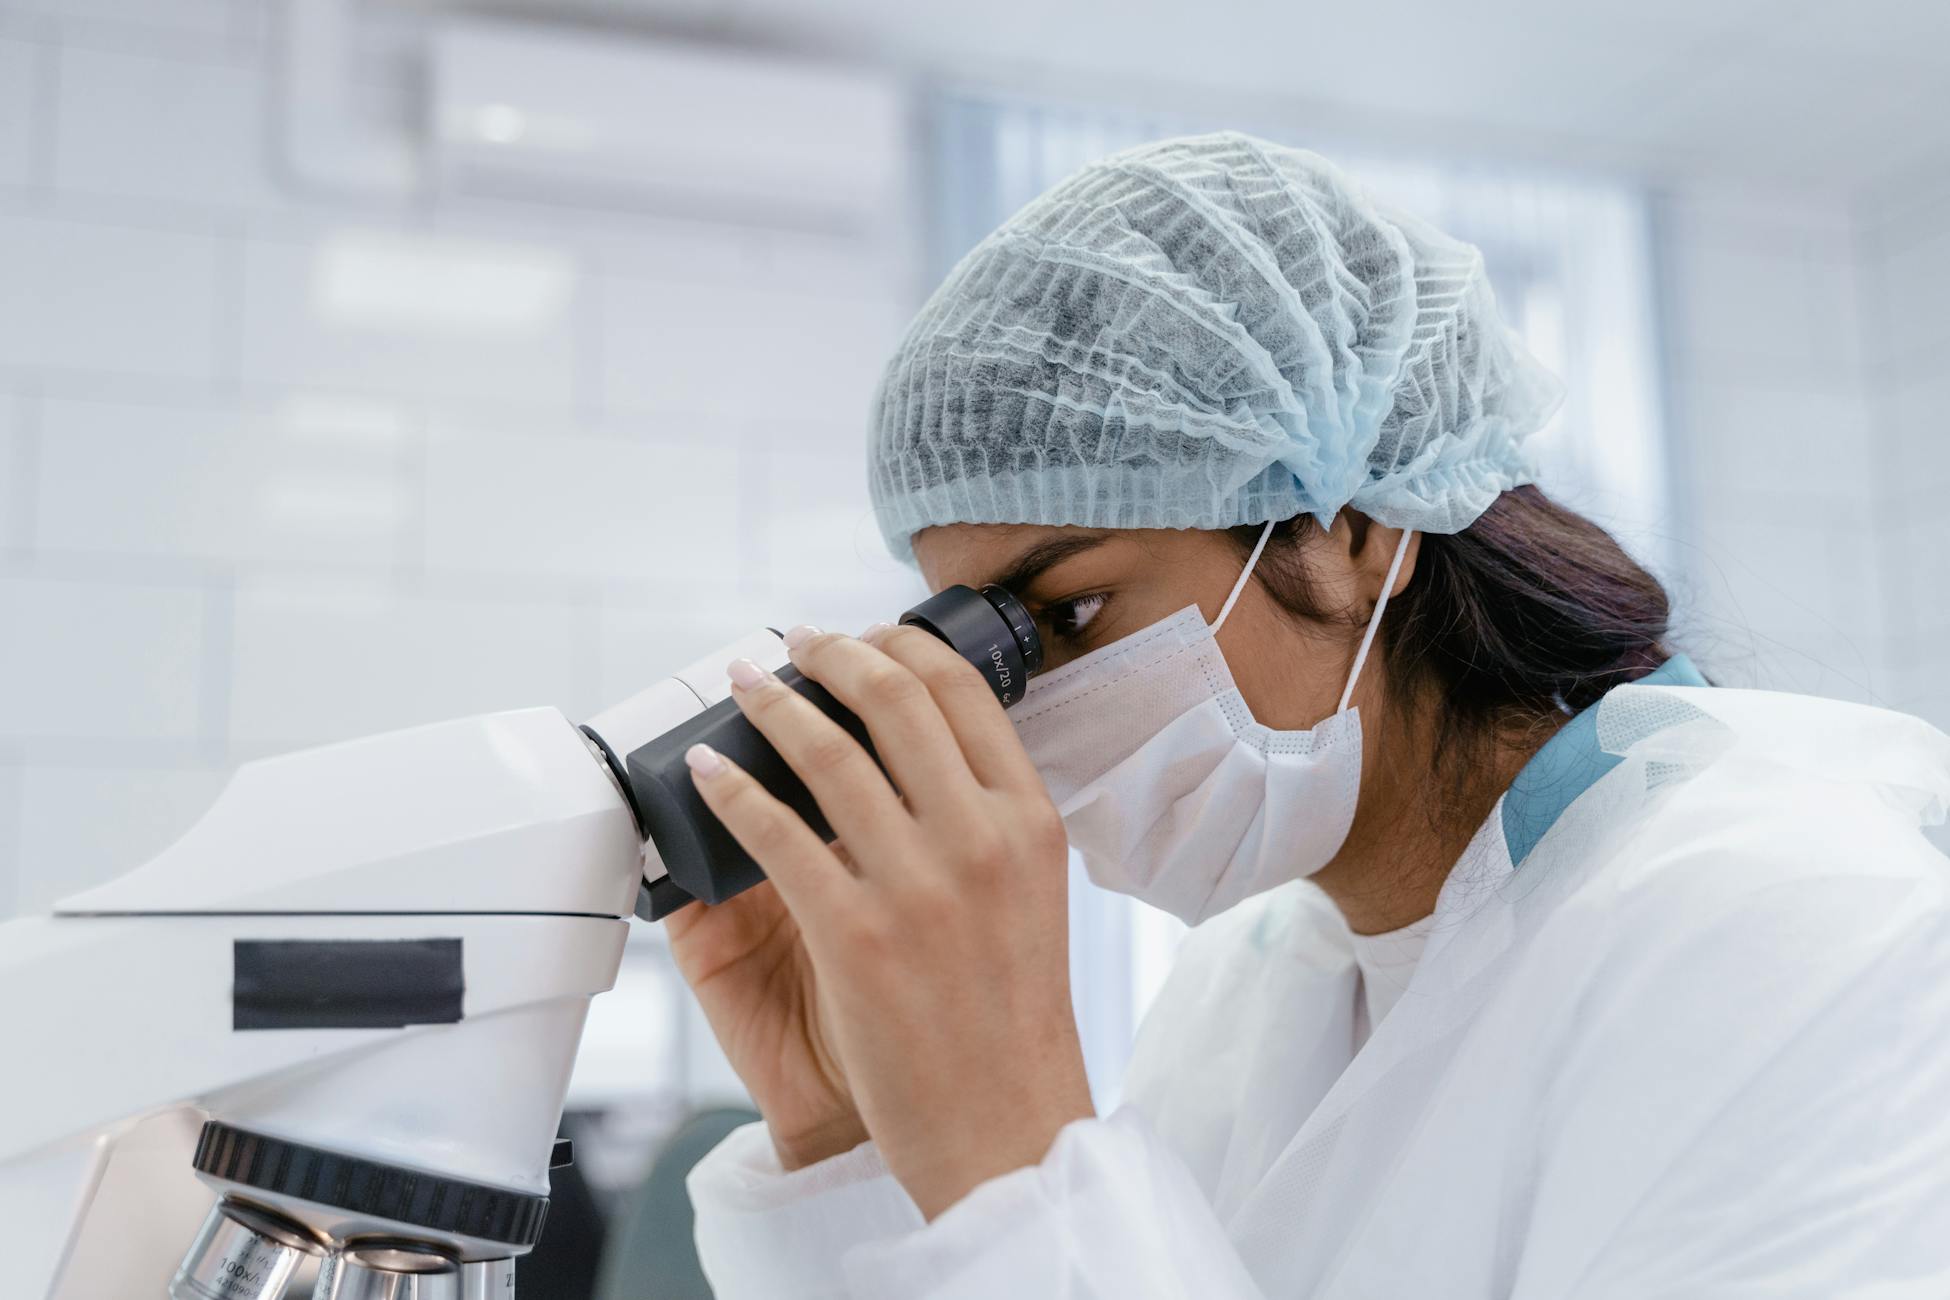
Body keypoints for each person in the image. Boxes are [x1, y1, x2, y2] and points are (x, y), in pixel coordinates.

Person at [660, 133, 1950, 1297]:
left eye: (1069, 613)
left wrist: (1025, 1165)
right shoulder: (1253, 983)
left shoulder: (1795, 922)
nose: (1024, 719)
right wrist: (859, 1148)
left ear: (1346, 528)